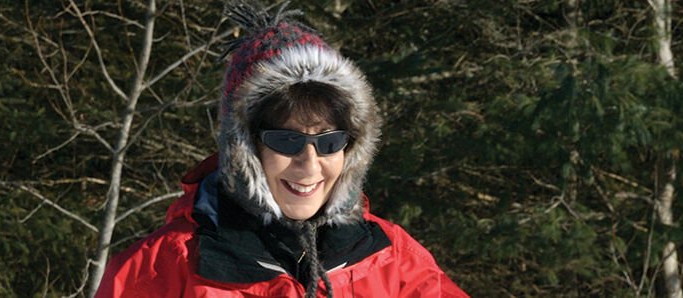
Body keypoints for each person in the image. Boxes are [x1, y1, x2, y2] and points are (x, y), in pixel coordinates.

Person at [94, 1, 467, 297]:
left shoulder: (393, 259)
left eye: (329, 142)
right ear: (245, 149)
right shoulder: (165, 267)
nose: (310, 165)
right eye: (287, 141)